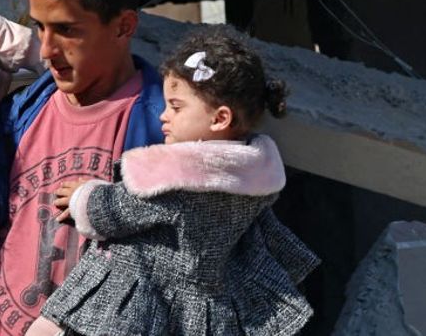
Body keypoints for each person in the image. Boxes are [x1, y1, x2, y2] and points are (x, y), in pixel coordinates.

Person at [0, 0, 168, 333]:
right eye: (40, 27)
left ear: (124, 26)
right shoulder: (19, 114)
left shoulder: (165, 131)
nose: (46, 50)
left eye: (65, 30)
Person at [28, 27, 317, 335]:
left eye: (176, 107)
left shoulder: (180, 177)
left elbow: (118, 210)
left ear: (220, 118)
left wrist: (84, 197)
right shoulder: (253, 177)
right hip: (206, 303)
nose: (164, 116)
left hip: (145, 300)